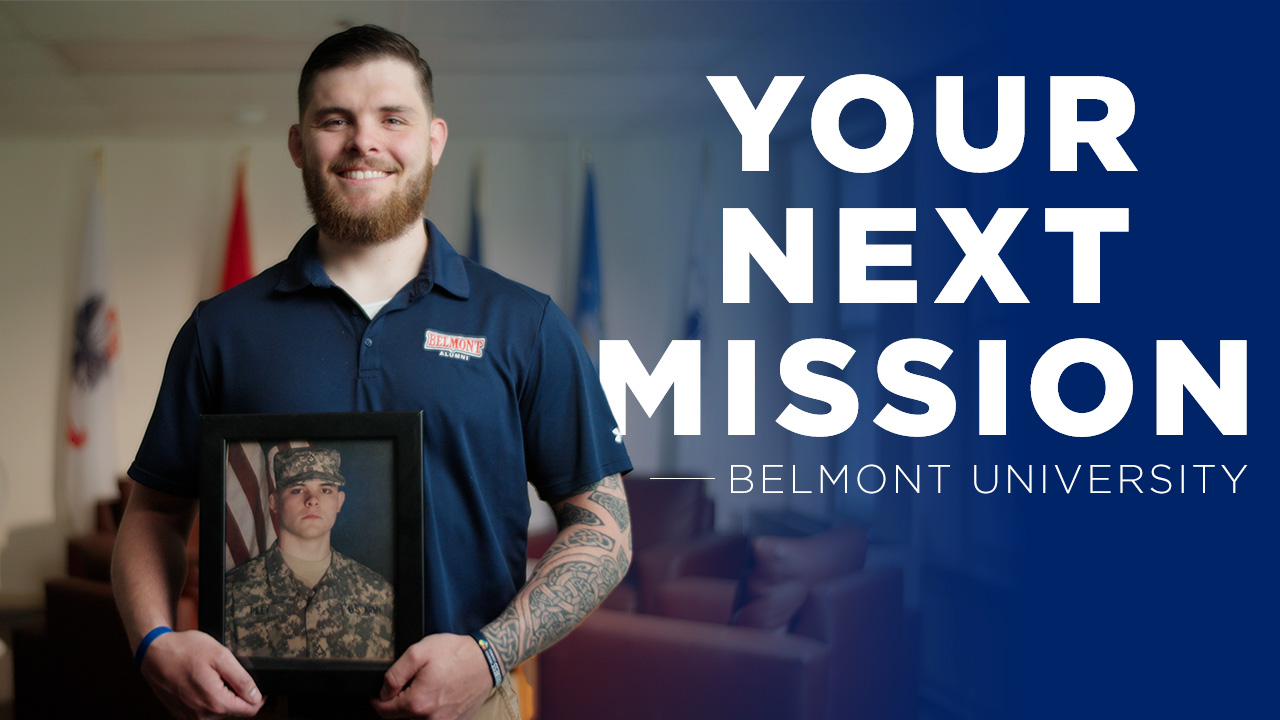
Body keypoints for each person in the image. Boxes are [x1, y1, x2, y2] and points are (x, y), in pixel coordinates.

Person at [112, 24, 632, 720]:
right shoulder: (222, 330)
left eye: (393, 118)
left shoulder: (525, 325)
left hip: (471, 705)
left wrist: (489, 653)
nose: (365, 141)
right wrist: (153, 641)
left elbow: (605, 529)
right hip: (263, 706)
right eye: (335, 120)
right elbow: (153, 514)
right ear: (300, 144)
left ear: (434, 139)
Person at [224, 446, 393, 661]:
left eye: (325, 490)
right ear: (274, 502)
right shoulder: (232, 594)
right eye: (297, 490)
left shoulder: (379, 593)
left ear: (339, 502)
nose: (312, 500)